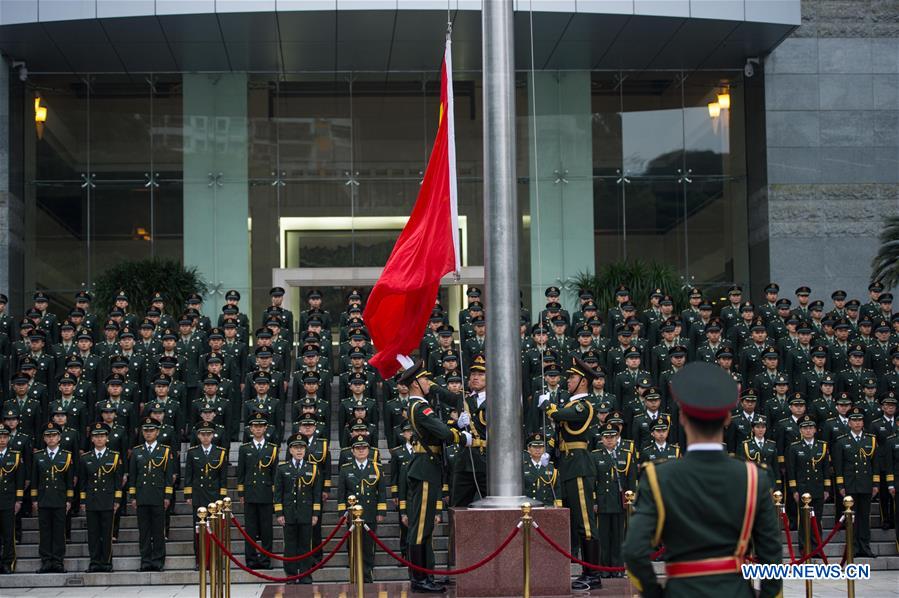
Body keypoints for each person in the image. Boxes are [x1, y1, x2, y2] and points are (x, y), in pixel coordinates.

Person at [622, 361, 782, 598]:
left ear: (683, 418)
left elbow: (634, 552)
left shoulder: (658, 477)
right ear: (728, 418)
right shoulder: (753, 477)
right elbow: (772, 557)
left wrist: (656, 594)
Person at [397, 359, 464, 594]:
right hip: (425, 468)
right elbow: (444, 433)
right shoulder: (419, 406)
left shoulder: (420, 403)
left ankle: (425, 574)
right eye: (425, 379)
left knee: (424, 526)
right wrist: (461, 435)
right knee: (420, 527)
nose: (430, 382)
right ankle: (419, 577)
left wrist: (432, 388)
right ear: (415, 383)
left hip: (428, 467)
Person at [541, 355, 603, 591]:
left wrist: (549, 405)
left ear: (583, 382)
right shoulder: (570, 403)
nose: (568, 381)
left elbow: (559, 415)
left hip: (579, 466)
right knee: (577, 520)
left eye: (573, 378)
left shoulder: (584, 405)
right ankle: (587, 571)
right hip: (568, 465)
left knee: (586, 522)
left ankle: (593, 574)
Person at [129, 417, 175, 572]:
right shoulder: (137, 451)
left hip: (158, 496)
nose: (148, 433)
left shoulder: (165, 451)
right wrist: (133, 497)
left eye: (151, 431)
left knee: (158, 531)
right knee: (144, 532)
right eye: (146, 431)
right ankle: (146, 560)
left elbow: (168, 477)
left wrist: (167, 497)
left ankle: (158, 561)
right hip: (142, 496)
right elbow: (133, 476)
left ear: (157, 432)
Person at [275, 434, 323, 584]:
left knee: (305, 546)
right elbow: (278, 492)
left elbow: (316, 493)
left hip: (306, 513)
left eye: (302, 447)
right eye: (296, 448)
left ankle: (305, 575)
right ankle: (290, 575)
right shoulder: (282, 468)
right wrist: (279, 513)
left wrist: (315, 513)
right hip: (289, 513)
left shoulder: (312, 468)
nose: (299, 450)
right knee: (289, 546)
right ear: (290, 450)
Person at [337, 438, 387, 583]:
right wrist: (342, 513)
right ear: (352, 451)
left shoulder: (376, 467)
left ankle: (367, 574)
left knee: (368, 545)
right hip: (352, 514)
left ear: (368, 450)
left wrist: (381, 511)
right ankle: (354, 573)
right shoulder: (345, 468)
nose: (361, 450)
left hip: (370, 512)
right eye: (357, 448)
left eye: (364, 448)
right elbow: (341, 493)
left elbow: (382, 492)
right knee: (352, 544)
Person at [832, 406, 879, 557]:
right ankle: (853, 547)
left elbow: (875, 464)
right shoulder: (842, 441)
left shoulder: (870, 440)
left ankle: (865, 546)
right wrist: (840, 485)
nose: (857, 423)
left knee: (864, 517)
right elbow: (839, 466)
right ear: (849, 422)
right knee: (851, 518)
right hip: (850, 484)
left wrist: (876, 484)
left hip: (865, 484)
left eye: (860, 420)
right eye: (854, 420)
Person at [79, 422, 123, 572]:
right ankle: (95, 562)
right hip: (92, 500)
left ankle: (106, 562)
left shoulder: (115, 457)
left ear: (107, 438)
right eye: (96, 436)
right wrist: (83, 501)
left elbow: (118, 482)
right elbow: (83, 482)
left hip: (108, 500)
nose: (99, 439)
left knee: (106, 533)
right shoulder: (85, 458)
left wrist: (117, 500)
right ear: (91, 439)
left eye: (102, 436)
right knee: (93, 534)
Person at [183, 421, 229, 568]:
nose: (206, 437)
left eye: (208, 434)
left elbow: (223, 478)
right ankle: (200, 559)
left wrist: (222, 498)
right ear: (198, 436)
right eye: (203, 434)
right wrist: (188, 495)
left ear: (213, 435)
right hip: (198, 496)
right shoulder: (192, 452)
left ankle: (214, 558)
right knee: (199, 529)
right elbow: (188, 476)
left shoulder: (220, 452)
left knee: (215, 529)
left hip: (214, 497)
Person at [237, 412, 279, 569]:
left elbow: (275, 474)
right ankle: (251, 560)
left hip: (267, 493)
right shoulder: (244, 449)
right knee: (250, 530)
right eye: (255, 426)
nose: (258, 429)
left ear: (266, 428)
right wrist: (241, 493)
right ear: (250, 429)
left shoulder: (272, 448)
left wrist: (276, 494)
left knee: (267, 530)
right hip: (250, 492)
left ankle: (266, 560)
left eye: (261, 426)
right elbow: (240, 472)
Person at [785, 414, 832, 555]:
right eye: (805, 428)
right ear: (800, 430)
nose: (808, 431)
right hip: (802, 489)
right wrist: (794, 490)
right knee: (804, 521)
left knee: (816, 520)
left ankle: (816, 548)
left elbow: (826, 469)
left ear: (815, 430)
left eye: (811, 427)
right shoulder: (794, 447)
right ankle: (804, 548)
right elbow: (791, 471)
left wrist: (827, 489)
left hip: (818, 488)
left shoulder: (822, 446)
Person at [32, 422, 74, 573]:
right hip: (43, 499)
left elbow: (69, 481)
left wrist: (69, 500)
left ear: (59, 437)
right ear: (44, 438)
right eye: (48, 436)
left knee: (58, 532)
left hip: (59, 499)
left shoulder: (66, 455)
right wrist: (34, 500)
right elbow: (34, 480)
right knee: (45, 532)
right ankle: (46, 561)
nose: (51, 438)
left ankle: (57, 561)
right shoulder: (38, 456)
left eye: (54, 435)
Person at [0, 422, 24, 573]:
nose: (2, 439)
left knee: (9, 535)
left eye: (4, 437)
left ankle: (8, 563)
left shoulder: (15, 456)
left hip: (8, 500)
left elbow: (19, 480)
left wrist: (18, 500)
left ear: (9, 438)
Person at [522, 432, 560, 507]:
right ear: (528, 449)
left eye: (541, 446)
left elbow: (557, 490)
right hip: (528, 507)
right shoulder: (523, 468)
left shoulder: (552, 467)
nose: (538, 449)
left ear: (545, 449)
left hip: (547, 507)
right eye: (534, 447)